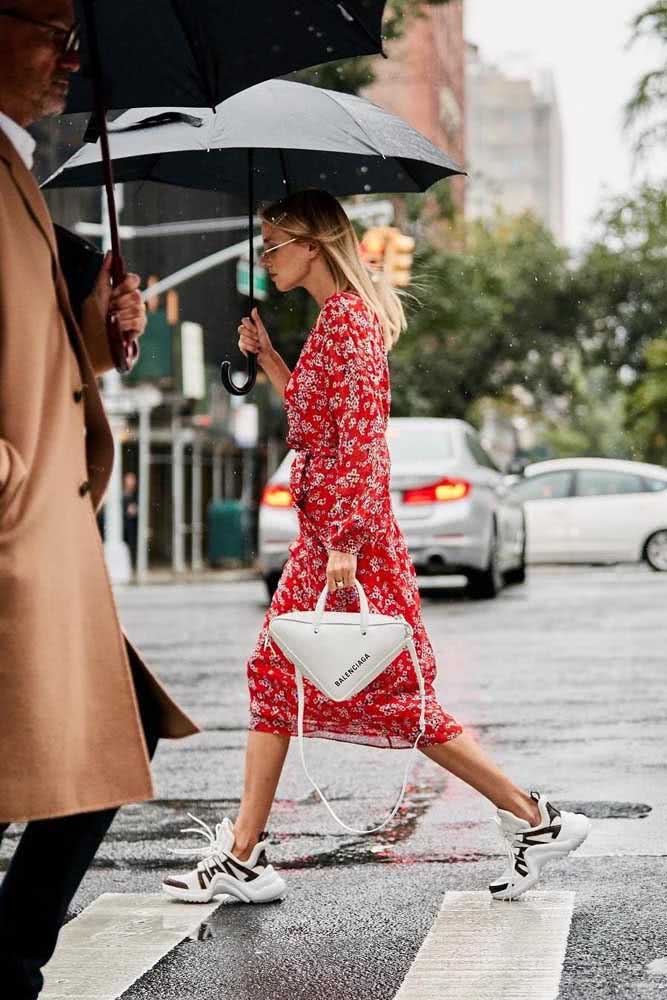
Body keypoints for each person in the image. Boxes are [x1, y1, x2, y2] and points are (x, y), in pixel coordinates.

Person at [163, 189, 590, 907]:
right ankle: (244, 855)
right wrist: (268, 357)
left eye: (274, 246)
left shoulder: (351, 323)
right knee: (281, 683)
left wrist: (346, 545)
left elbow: (361, 442)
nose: (265, 260)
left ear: (314, 245)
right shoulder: (332, 324)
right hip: (326, 533)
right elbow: (312, 419)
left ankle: (533, 817)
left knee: (395, 704)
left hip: (346, 540)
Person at [0, 4, 198, 997]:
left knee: (103, 730)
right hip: (16, 543)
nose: (70, 54)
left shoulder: (15, 173)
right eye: (48, 25)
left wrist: (95, 331)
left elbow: (27, 363)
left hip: (42, 538)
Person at [122, 471, 139, 569]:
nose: (131, 482)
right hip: (124, 527)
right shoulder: (121, 495)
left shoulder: (136, 496)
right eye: (129, 479)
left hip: (132, 527)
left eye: (133, 480)